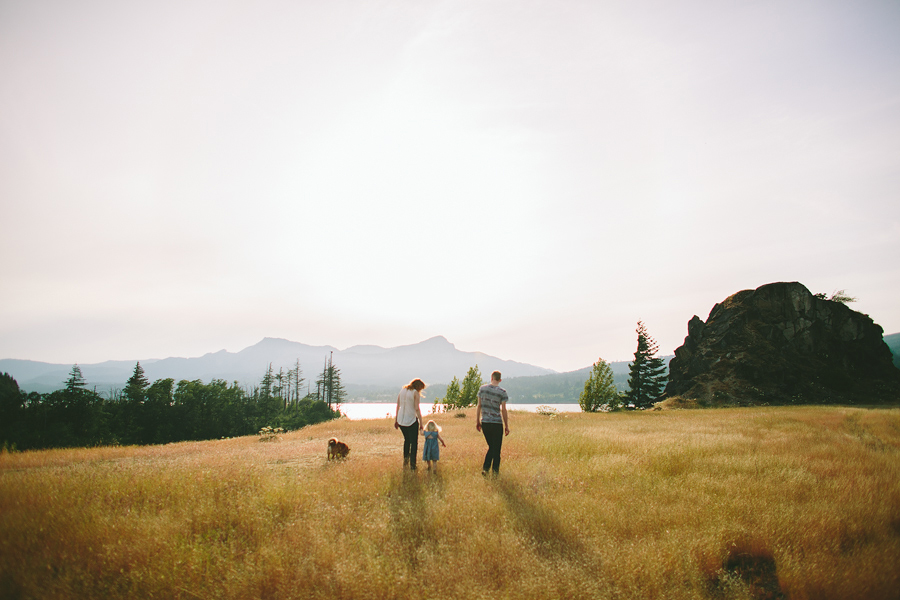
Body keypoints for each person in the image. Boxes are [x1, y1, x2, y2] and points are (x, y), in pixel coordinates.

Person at [475, 370, 509, 476]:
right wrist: (507, 425)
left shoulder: (482, 389)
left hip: (485, 422)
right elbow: (503, 409)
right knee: (496, 449)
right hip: (497, 423)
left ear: (491, 378)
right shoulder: (502, 392)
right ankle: (495, 472)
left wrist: (477, 421)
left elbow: (479, 406)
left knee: (492, 447)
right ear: (500, 380)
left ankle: (485, 469)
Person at [394, 378, 425, 470]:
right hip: (411, 420)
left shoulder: (402, 390)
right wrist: (421, 423)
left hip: (401, 420)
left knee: (407, 441)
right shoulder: (415, 393)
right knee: (414, 443)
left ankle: (405, 462)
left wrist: (396, 420)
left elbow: (398, 405)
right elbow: (416, 408)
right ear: (418, 386)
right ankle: (413, 465)